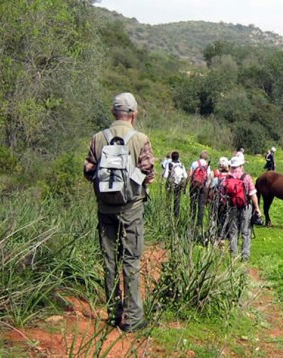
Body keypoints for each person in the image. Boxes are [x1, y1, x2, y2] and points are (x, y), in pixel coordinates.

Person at [83, 92, 155, 332]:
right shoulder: (140, 138)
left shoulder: (98, 138)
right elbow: (148, 173)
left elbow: (89, 171)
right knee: (131, 261)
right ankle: (133, 319)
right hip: (131, 209)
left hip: (104, 209)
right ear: (134, 114)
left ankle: (114, 314)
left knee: (109, 261)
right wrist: (132, 186)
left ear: (114, 113)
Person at [221, 155, 261, 261]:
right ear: (240, 166)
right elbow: (252, 194)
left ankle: (233, 255)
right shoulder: (246, 177)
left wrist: (226, 205)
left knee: (233, 231)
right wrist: (257, 208)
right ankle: (245, 256)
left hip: (232, 207)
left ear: (231, 166)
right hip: (245, 206)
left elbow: (223, 195)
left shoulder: (227, 178)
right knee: (245, 231)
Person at [188, 150, 212, 226]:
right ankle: (199, 224)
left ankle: (191, 221)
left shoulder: (194, 163)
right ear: (206, 157)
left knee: (192, 204)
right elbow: (208, 177)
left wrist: (188, 185)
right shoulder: (207, 165)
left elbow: (190, 175)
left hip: (194, 185)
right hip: (203, 187)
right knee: (201, 206)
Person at [209, 157, 231, 240]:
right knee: (226, 217)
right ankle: (224, 234)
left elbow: (211, 191)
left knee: (215, 217)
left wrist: (209, 199)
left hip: (217, 200)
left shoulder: (216, 177)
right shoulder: (231, 177)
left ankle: (214, 234)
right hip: (228, 201)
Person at [162, 151, 188, 217]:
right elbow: (185, 176)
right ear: (178, 157)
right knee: (177, 200)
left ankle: (168, 213)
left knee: (169, 198)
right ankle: (176, 214)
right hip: (179, 184)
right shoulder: (181, 165)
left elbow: (165, 175)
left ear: (172, 157)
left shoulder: (169, 164)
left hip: (171, 183)